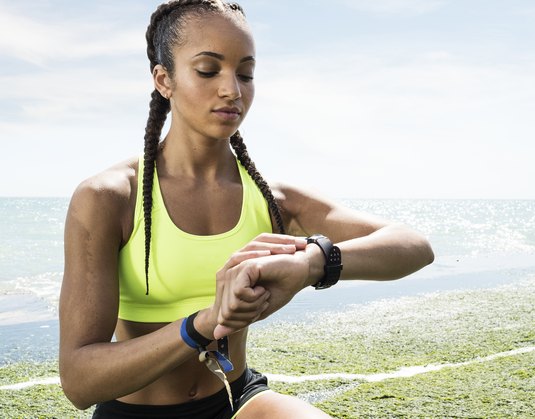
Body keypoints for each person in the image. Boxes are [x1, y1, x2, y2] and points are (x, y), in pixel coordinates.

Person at [58, 1, 434, 418]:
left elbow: (414, 245)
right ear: (164, 79)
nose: (232, 89)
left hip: (240, 400)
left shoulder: (272, 198)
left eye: (245, 73)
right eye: (208, 70)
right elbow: (79, 381)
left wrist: (313, 263)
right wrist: (202, 325)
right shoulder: (110, 197)